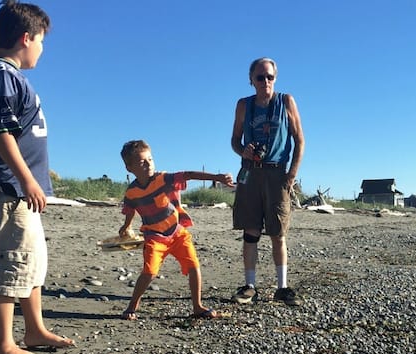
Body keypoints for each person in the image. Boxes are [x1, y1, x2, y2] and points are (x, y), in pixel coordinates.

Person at [0, 0, 74, 354]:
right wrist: (27, 179)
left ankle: (34, 328)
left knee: (32, 260)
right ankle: (3, 345)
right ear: (26, 38)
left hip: (18, 189)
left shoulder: (8, 76)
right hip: (7, 187)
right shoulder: (0, 74)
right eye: (41, 41)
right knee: (11, 260)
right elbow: (0, 131)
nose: (42, 49)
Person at [118, 140, 234, 321]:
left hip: (177, 233)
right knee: (149, 272)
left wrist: (217, 178)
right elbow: (130, 210)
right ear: (129, 168)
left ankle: (197, 306)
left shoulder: (163, 179)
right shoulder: (132, 192)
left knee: (194, 266)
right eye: (142, 162)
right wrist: (126, 226)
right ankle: (132, 306)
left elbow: (188, 175)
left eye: (150, 159)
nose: (149, 164)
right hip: (154, 238)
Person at [230, 57, 305, 306]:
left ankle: (282, 287)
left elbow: (299, 140)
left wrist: (291, 175)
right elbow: (234, 141)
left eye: (269, 77)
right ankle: (250, 286)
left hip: (277, 173)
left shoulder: (286, 102)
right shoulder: (244, 105)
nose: (265, 82)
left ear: (275, 78)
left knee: (277, 232)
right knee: (250, 231)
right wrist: (245, 152)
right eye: (260, 77)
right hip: (251, 172)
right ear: (251, 80)